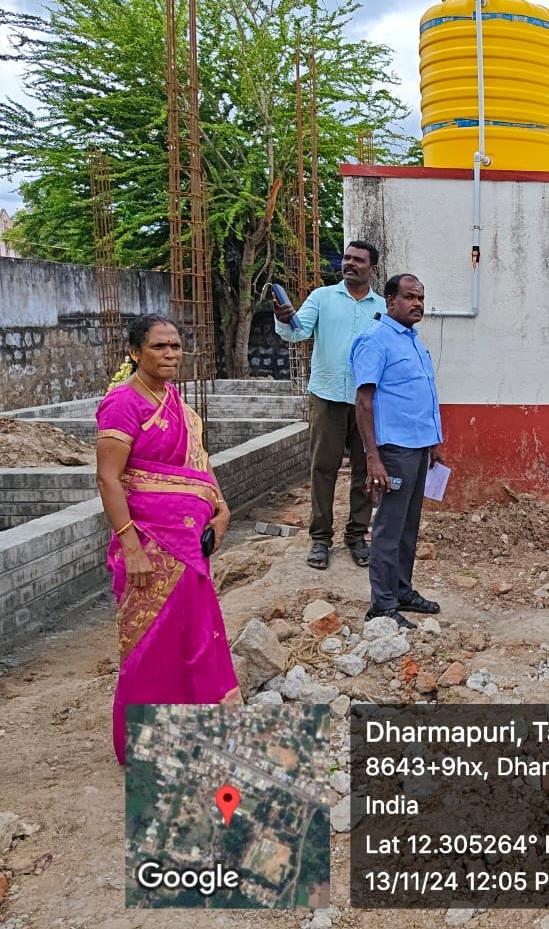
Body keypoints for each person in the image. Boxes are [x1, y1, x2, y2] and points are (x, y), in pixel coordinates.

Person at [95, 314, 241, 764]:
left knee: (192, 639)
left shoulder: (175, 399)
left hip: (191, 546)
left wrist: (220, 506)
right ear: (136, 352)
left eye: (176, 346)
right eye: (159, 347)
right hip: (149, 550)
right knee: (151, 645)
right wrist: (132, 548)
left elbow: (199, 461)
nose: (171, 355)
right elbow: (107, 478)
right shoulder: (124, 403)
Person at [274, 240, 386, 570]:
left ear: (371, 268)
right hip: (326, 397)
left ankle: (356, 536)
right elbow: (297, 333)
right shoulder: (322, 298)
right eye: (346, 258)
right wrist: (284, 318)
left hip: (366, 402)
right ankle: (320, 539)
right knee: (323, 468)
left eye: (358, 260)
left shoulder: (380, 307)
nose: (349, 264)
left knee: (365, 471)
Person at [351, 274, 444, 629]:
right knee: (389, 528)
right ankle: (382, 603)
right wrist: (372, 457)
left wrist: (433, 443)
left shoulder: (414, 342)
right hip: (393, 451)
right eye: (409, 297)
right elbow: (363, 401)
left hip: (419, 447)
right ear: (390, 300)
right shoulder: (375, 341)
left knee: (408, 526)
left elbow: (420, 397)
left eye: (420, 297)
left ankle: (402, 591)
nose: (417, 303)